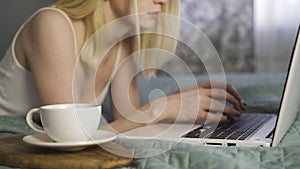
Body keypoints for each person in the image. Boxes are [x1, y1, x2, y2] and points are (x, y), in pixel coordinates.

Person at [0, 0, 245, 133]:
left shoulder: (123, 41)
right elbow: (68, 137)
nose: (162, 1)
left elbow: (128, 119)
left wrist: (181, 101)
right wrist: (161, 108)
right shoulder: (52, 24)